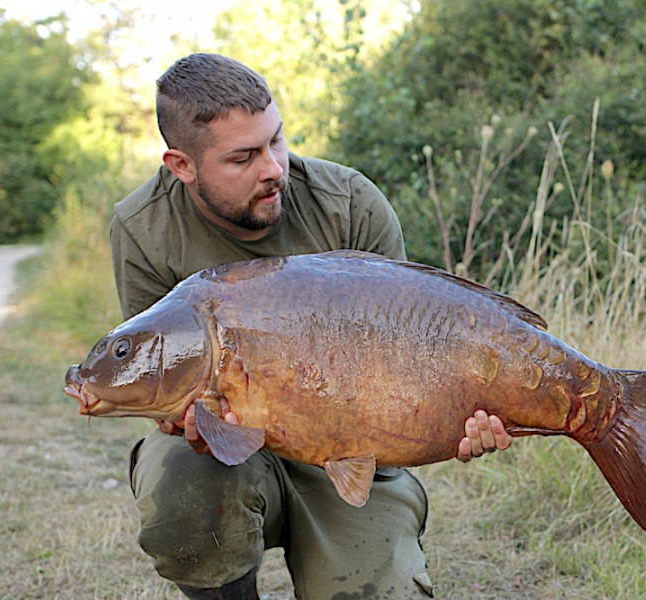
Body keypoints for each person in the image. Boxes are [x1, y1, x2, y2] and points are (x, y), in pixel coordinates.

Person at [110, 53, 513, 599]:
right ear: (181, 165)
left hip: (351, 448)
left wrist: (456, 416)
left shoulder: (350, 204)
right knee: (183, 490)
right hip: (226, 454)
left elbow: (417, 353)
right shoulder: (143, 229)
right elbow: (157, 379)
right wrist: (178, 416)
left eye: (276, 140)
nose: (273, 167)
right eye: (243, 157)